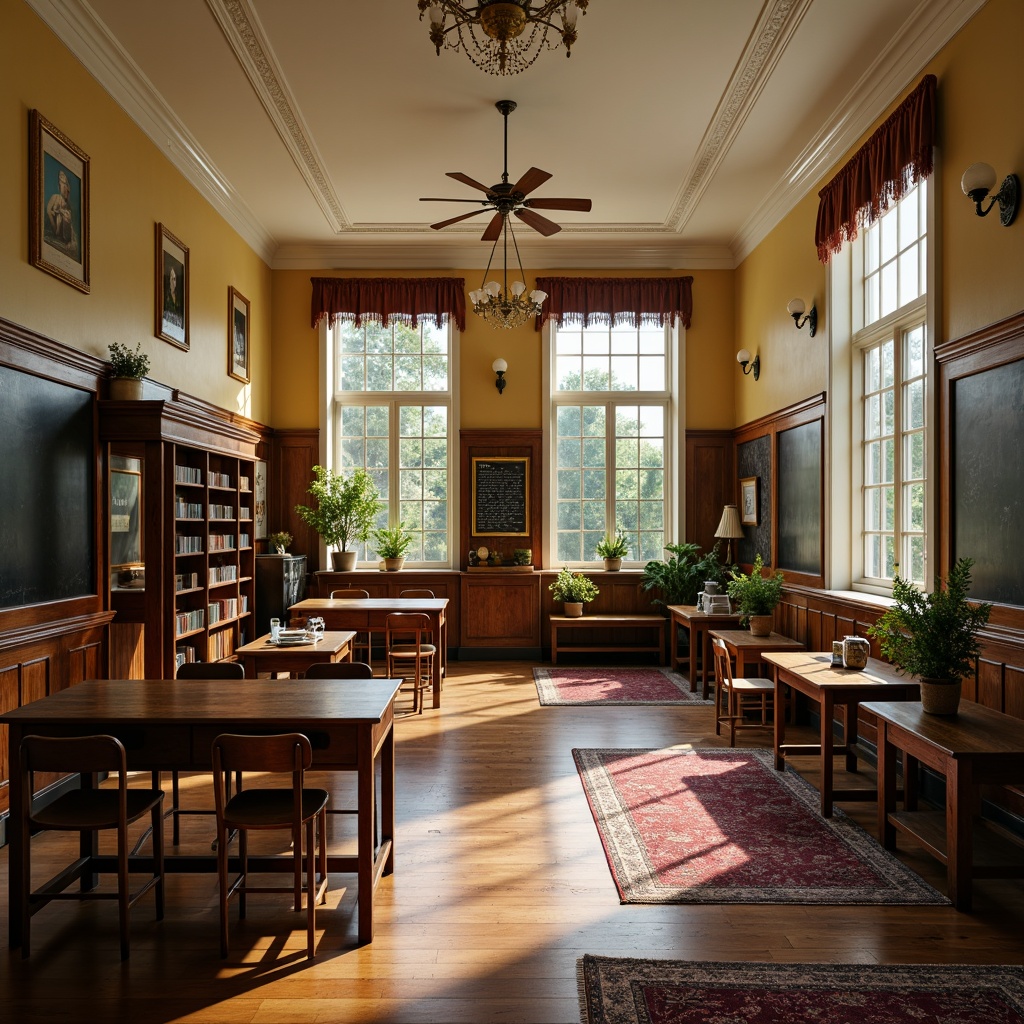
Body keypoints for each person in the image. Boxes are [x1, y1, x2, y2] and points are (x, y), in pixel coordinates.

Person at [44, 168, 78, 258]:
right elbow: (48, 210)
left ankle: (67, 240)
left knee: (66, 216)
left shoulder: (68, 205)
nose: (62, 186)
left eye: (64, 183)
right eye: (60, 180)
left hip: (65, 229)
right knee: (62, 216)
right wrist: (55, 226)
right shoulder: (55, 197)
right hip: (56, 227)